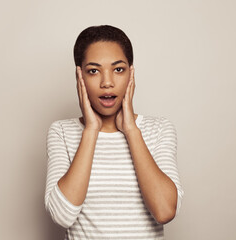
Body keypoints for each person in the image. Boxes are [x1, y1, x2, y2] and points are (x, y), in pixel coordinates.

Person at [44, 25, 184, 239]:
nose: (107, 82)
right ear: (79, 76)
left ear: (131, 73)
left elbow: (164, 211)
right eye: (93, 71)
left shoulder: (159, 130)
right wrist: (91, 130)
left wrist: (131, 131)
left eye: (118, 69)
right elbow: (63, 216)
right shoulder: (62, 132)